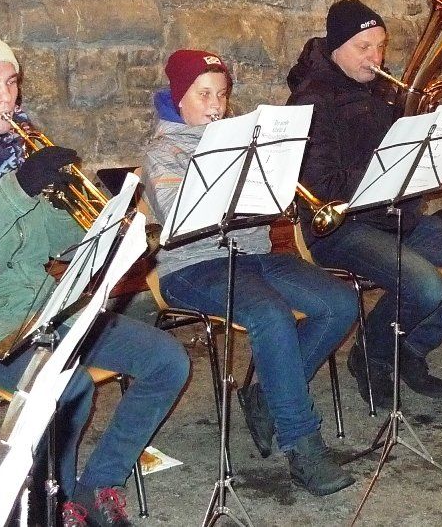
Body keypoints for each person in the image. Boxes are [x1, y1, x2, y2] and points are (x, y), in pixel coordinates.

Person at [0, 25, 189, 527]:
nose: (6, 96)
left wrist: (93, 212)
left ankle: (97, 484)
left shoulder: (16, 146)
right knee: (70, 389)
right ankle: (54, 506)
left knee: (167, 361)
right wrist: (19, 188)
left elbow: (48, 240)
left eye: (11, 82)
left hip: (43, 308)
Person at [141, 49, 357, 496]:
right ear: (179, 98)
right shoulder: (162, 152)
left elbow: (265, 214)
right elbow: (177, 217)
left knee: (339, 302)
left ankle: (264, 395)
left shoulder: (244, 139)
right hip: (193, 265)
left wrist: (275, 178)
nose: (216, 105)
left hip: (254, 255)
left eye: (221, 94)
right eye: (203, 94)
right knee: (271, 316)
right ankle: (301, 444)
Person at [285, 0, 442, 406]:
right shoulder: (311, 101)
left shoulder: (384, 91)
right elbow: (321, 187)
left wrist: (440, 147)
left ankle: (408, 346)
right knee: (423, 284)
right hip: (341, 228)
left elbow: (420, 169)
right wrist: (388, 165)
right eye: (363, 47)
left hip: (400, 218)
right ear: (337, 47)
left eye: (380, 46)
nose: (375, 58)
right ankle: (372, 355)